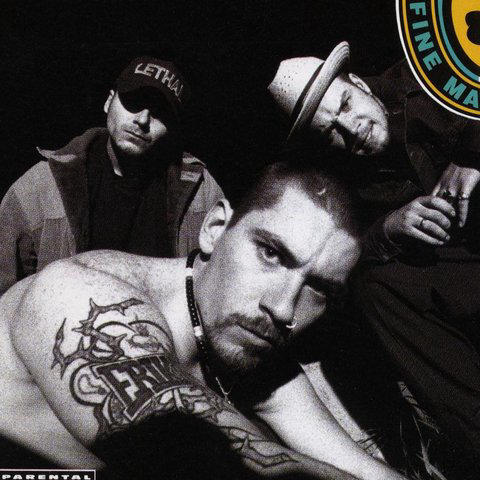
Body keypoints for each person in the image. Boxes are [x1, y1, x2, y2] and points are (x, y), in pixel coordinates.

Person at [0, 159, 408, 480]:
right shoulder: (80, 296)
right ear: (214, 228)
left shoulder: (246, 345)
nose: (283, 309)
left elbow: (363, 470)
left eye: (317, 288)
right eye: (270, 254)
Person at [268, 42, 480, 476]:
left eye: (346, 104)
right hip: (464, 274)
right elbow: (332, 264)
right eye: (330, 131)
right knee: (375, 285)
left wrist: (472, 155)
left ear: (360, 84)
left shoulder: (432, 74)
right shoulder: (337, 179)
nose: (352, 129)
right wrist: (387, 230)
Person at [0, 56, 223, 296]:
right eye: (134, 102)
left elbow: (219, 290)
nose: (142, 120)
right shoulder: (41, 187)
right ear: (108, 102)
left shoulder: (202, 192)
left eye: (160, 112)